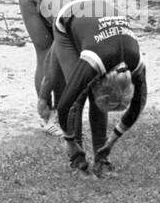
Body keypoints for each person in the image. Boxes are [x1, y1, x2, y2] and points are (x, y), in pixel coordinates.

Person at [52, 10, 147, 179]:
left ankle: (101, 159)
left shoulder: (136, 64)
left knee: (83, 91)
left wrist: (112, 140)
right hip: (69, 18)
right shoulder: (93, 61)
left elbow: (139, 104)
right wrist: (70, 141)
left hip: (100, 18)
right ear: (97, 81)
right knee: (78, 96)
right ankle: (77, 161)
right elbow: (64, 104)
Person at [18, 0, 93, 136]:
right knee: (46, 53)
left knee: (67, 58)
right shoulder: (71, 21)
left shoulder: (89, 24)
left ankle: (61, 114)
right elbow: (54, 56)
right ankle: (48, 115)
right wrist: (44, 97)